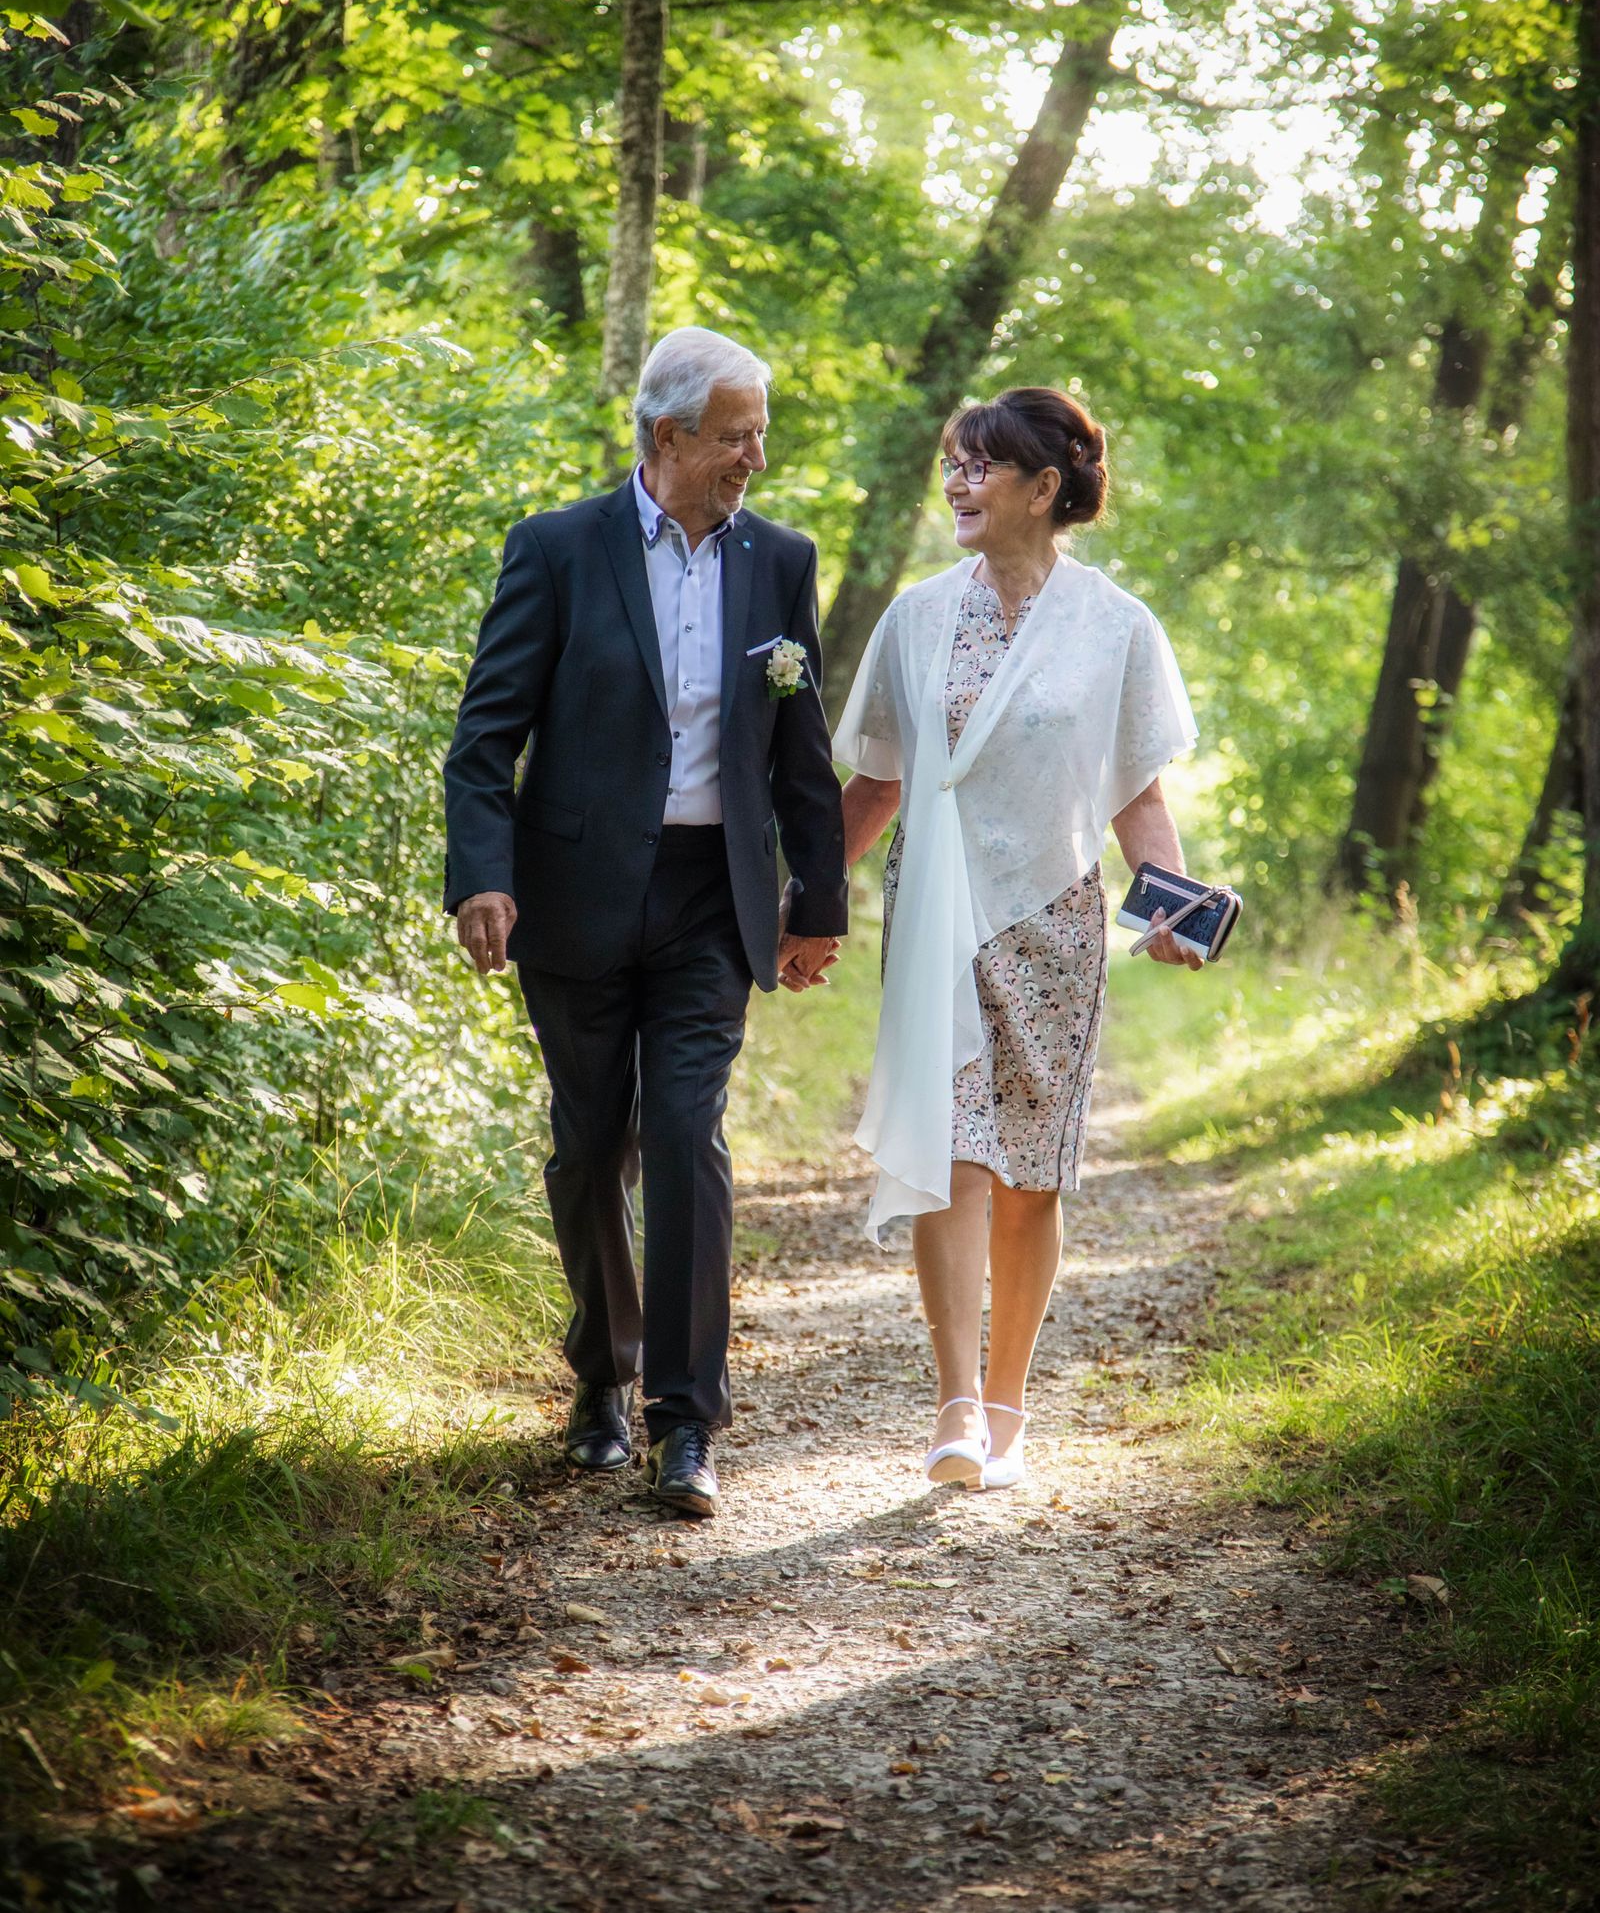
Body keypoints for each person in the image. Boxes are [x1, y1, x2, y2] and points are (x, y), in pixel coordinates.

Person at [442, 327, 847, 1519]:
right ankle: (600, 1380)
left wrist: (815, 902)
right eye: (736, 436)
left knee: (683, 1132)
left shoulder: (779, 560)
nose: (755, 458)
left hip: (708, 902)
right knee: (587, 1149)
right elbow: (485, 740)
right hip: (572, 899)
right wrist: (483, 876)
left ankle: (684, 1418)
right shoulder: (558, 548)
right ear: (667, 437)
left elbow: (802, 753)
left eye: (758, 433)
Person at [832, 385, 1200, 1493]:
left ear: (1045, 489)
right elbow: (873, 783)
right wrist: (797, 909)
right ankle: (952, 1407)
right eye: (952, 463)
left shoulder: (1116, 628)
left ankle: (1007, 1407)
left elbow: (1135, 793)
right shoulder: (914, 617)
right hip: (939, 908)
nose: (957, 483)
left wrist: (1173, 903)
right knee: (954, 1153)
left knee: (1030, 1173)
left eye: (979, 466)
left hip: (1054, 921)